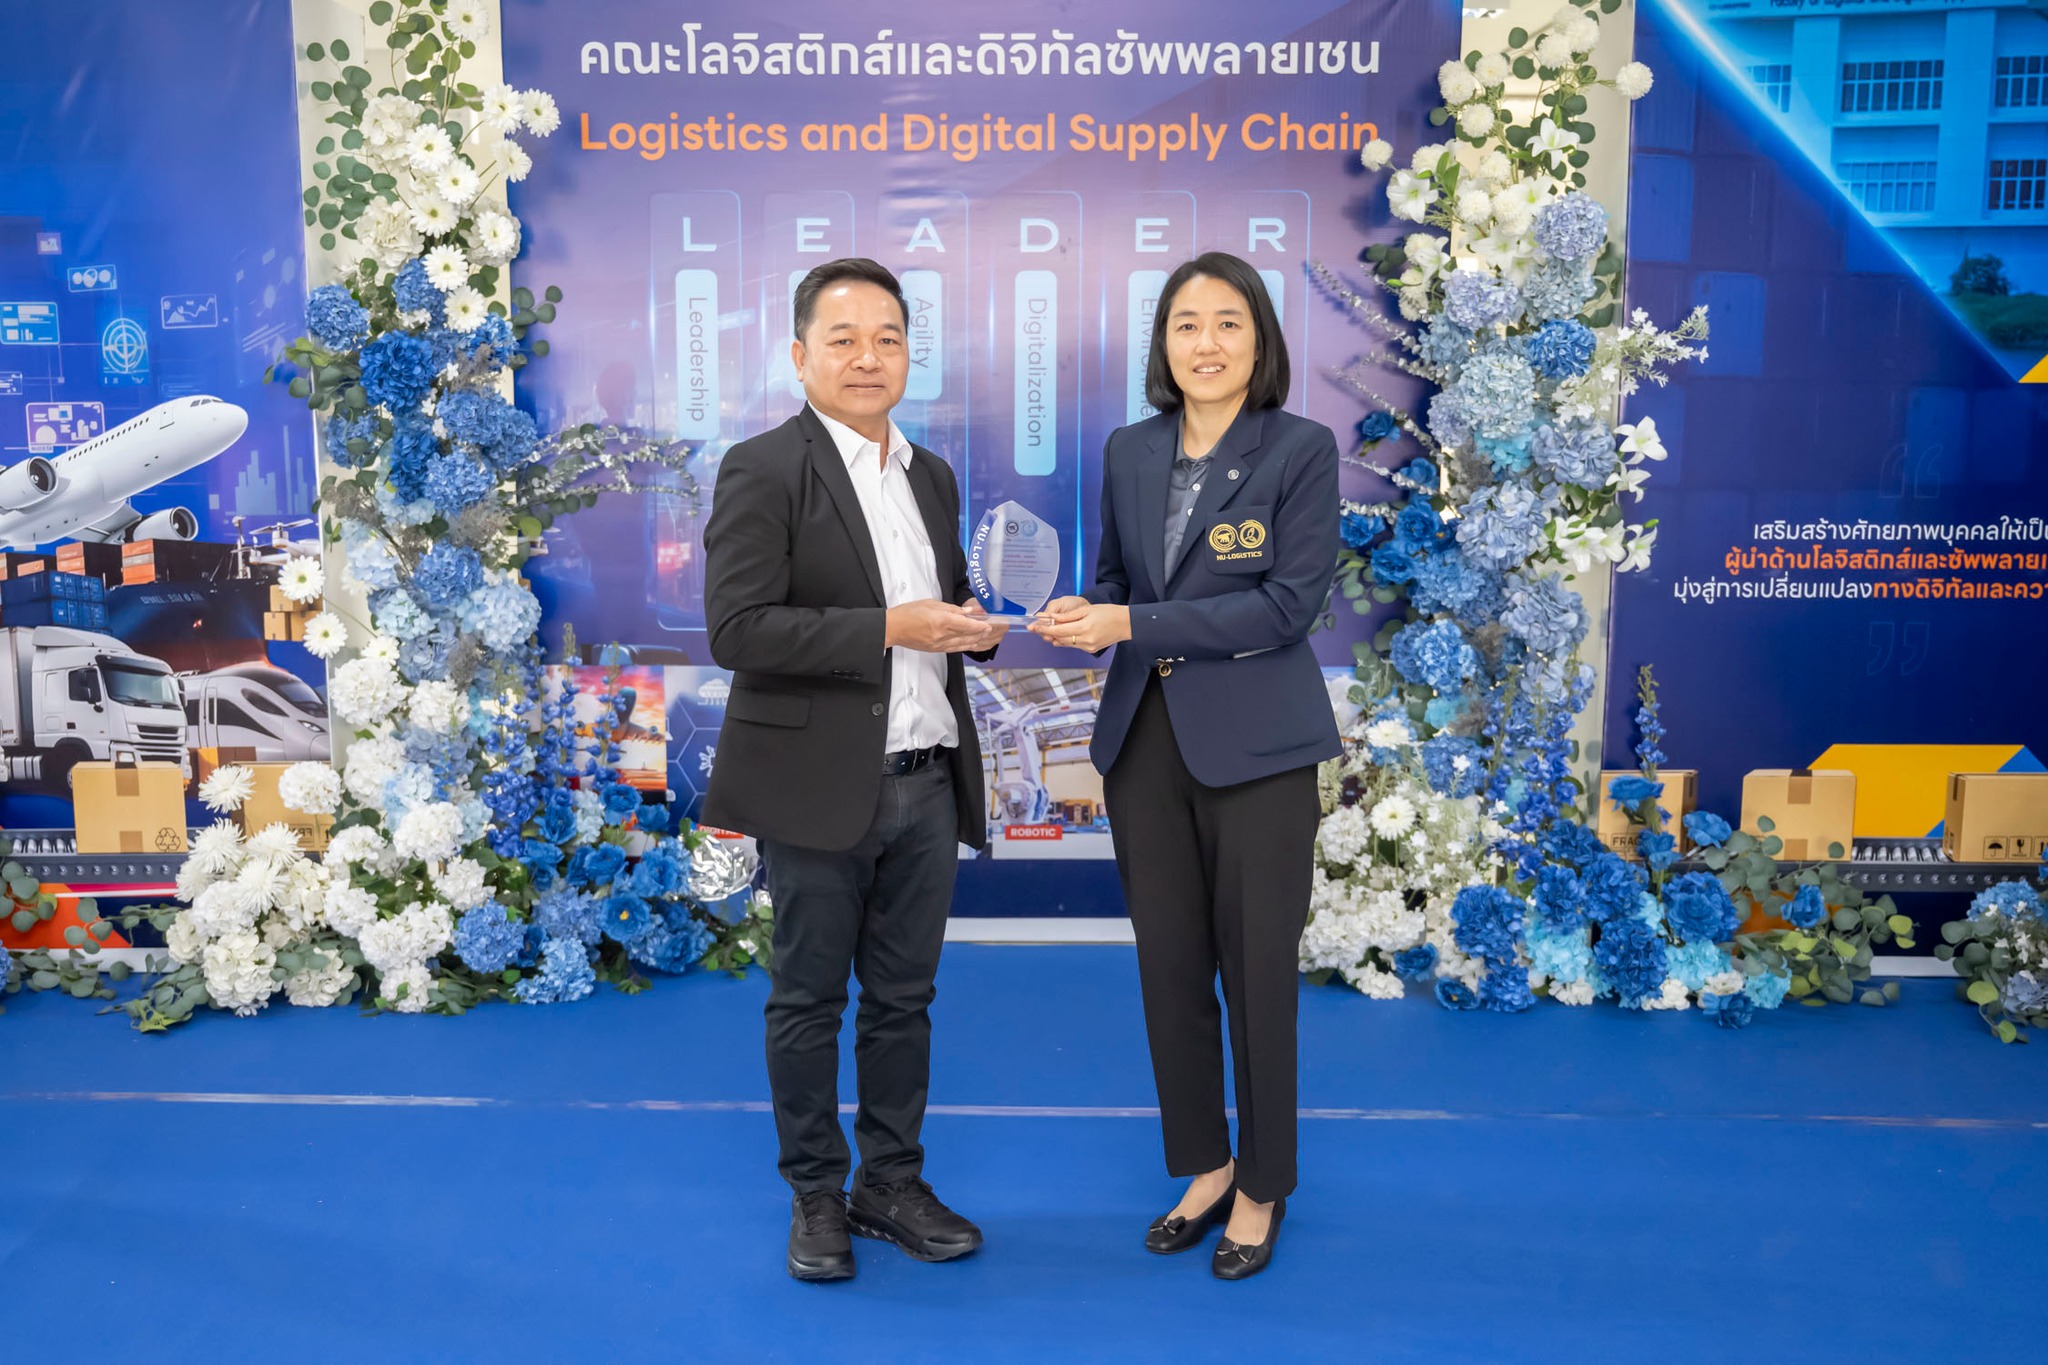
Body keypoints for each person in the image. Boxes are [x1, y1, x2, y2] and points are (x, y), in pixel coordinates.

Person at [1031, 251, 1340, 1281]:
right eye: (1184, 325)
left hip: (1258, 749)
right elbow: (1120, 583)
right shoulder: (1128, 450)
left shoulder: (1299, 449)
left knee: (1256, 973)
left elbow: (1284, 607)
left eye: (1227, 323)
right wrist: (1086, 615)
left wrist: (1129, 621)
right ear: (1161, 344)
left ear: (1259, 340)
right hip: (1144, 740)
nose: (1205, 344)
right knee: (1169, 967)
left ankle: (1263, 1184)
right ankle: (1206, 1166)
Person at [702, 257, 1007, 1283]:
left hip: (927, 778)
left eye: (887, 338)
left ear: (910, 354)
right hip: (817, 784)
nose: (867, 357)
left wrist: (971, 629)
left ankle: (892, 1183)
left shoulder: (931, 475)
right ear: (800, 357)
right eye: (842, 339)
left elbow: (936, 610)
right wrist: (887, 626)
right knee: (807, 1001)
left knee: (903, 1001)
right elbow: (739, 628)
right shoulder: (761, 467)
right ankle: (815, 1194)